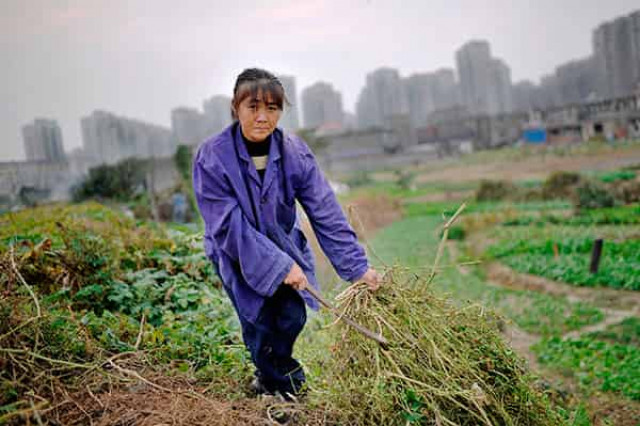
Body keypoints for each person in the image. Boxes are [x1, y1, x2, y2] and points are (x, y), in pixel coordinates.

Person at [192, 68, 380, 400]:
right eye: (253, 107)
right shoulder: (213, 157)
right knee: (259, 320)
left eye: (273, 108)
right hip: (236, 250)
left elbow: (325, 211)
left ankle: (273, 378)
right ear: (235, 108)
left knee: (292, 316)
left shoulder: (294, 152)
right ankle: (281, 387)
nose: (263, 117)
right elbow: (226, 225)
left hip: (282, 243)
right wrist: (279, 267)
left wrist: (357, 269)